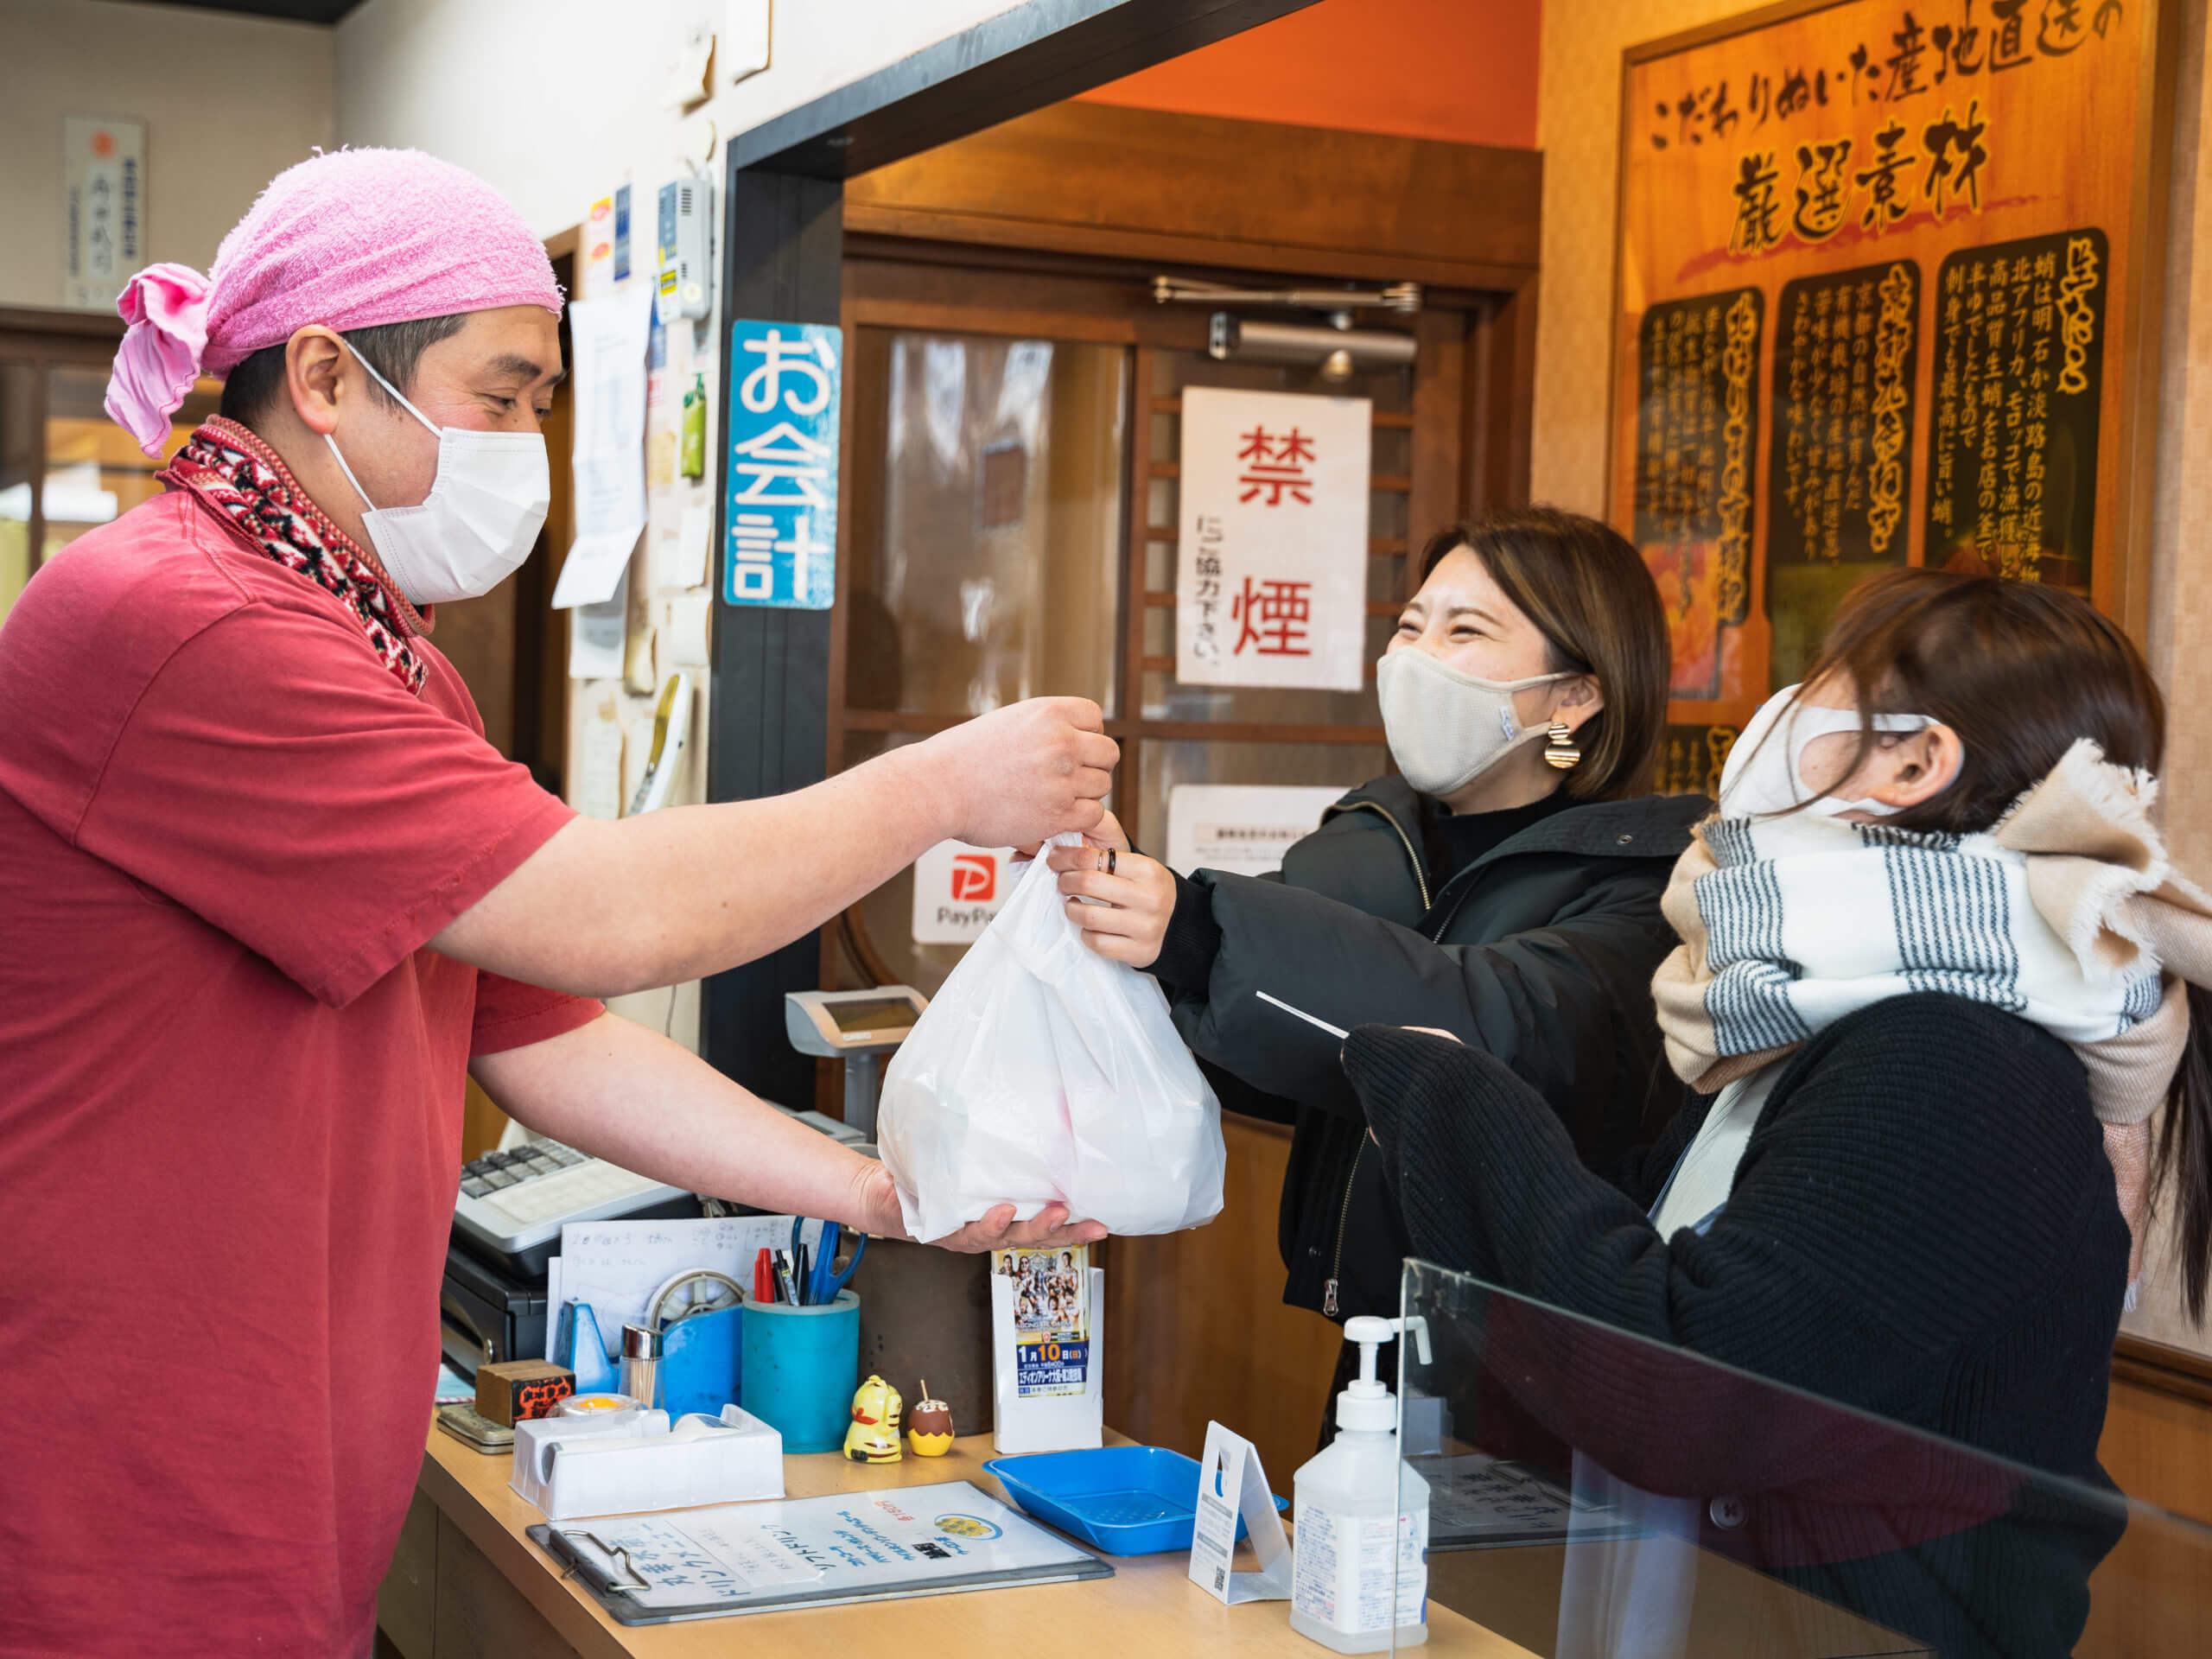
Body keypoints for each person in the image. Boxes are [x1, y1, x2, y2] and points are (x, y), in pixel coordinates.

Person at [0, 149, 1110, 1656]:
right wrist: (938, 787)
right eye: (506, 394)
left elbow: (541, 1031)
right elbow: (605, 914)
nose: (533, 442)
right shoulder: (186, 621)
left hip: (274, 1476)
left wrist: (868, 1191)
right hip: (105, 1493)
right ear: (326, 374)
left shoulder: (382, 655)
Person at [1346, 568, 2212, 1651]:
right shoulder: (1834, 1016)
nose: (1776, 718)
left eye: (1815, 693)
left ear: (1911, 762)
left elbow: (1688, 1396)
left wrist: (1453, 1094)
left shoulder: (1955, 1053)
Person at [1046, 507, 1703, 1421]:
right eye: (1409, 625)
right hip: (1374, 1347)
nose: (1414, 657)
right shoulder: (1368, 845)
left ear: (1575, 697)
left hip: (1547, 1372)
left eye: (1465, 630)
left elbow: (1486, 1028)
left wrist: (1198, 930)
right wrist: (1138, 962)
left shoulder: (1652, 884)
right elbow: (1312, 1062)